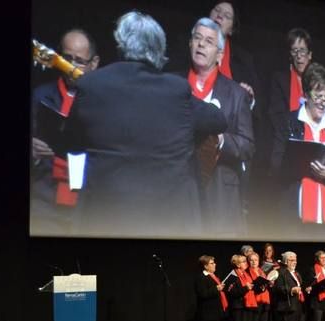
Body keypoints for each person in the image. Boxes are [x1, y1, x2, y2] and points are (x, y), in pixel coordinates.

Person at [64, 11, 227, 238]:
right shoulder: (175, 89)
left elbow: (70, 142)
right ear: (158, 49)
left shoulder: (92, 84)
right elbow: (219, 120)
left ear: (120, 43)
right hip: (166, 220)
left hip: (103, 217)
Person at [188, 17, 255, 237]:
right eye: (197, 38)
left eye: (208, 41)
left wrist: (222, 140)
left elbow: (247, 145)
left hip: (219, 193)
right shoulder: (173, 84)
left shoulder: (236, 94)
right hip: (180, 187)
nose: (200, 44)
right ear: (190, 43)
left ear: (219, 54)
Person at [31, 29, 99, 235]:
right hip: (44, 198)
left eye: (79, 61)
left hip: (88, 202)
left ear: (94, 64)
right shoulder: (41, 95)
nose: (71, 66)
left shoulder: (101, 101)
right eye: (67, 58)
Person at [272, 62, 325, 233]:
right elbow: (275, 165)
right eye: (318, 96)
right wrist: (301, 165)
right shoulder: (289, 123)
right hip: (295, 221)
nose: (323, 102)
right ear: (306, 95)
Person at [268, 28, 313, 150]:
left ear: (310, 55)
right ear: (290, 55)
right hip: (286, 141)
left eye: (302, 50)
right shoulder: (280, 79)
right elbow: (277, 116)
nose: (299, 56)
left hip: (313, 140)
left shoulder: (317, 82)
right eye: (295, 51)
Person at [209, 2, 259, 108]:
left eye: (227, 16)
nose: (220, 15)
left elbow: (253, 104)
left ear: (232, 30)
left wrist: (249, 100)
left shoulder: (244, 59)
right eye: (217, 10)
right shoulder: (187, 46)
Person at [272, 251, 306, 321]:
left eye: (295, 260)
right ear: (286, 261)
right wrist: (291, 290)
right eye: (292, 260)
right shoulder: (281, 272)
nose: (294, 262)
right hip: (288, 304)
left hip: (298, 303)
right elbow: (277, 288)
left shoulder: (296, 273)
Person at [225, 254, 258, 321]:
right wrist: (245, 288)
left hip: (246, 306)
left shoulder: (246, 274)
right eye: (243, 261)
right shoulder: (233, 275)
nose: (246, 263)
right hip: (238, 307)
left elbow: (251, 288)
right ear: (238, 264)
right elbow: (231, 293)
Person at [247, 252, 271, 321]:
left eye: (255, 260)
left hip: (264, 301)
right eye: (251, 260)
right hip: (255, 302)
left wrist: (269, 283)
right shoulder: (248, 272)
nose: (254, 262)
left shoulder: (261, 271)